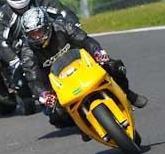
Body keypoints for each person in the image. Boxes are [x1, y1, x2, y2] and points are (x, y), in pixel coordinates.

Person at [18, 7, 148, 131]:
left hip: (83, 64)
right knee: (55, 115)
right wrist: (44, 94)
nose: (37, 37)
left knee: (114, 67)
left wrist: (97, 52)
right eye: (32, 34)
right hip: (57, 83)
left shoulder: (62, 26)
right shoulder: (27, 51)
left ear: (47, 26)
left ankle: (128, 94)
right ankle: (83, 125)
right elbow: (33, 78)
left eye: (39, 31)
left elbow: (85, 40)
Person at [0, 0, 80, 85]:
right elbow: (1, 42)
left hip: (55, 44)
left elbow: (64, 12)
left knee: (94, 55)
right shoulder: (3, 16)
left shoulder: (41, 0)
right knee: (21, 84)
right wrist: (14, 60)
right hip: (29, 56)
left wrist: (75, 26)